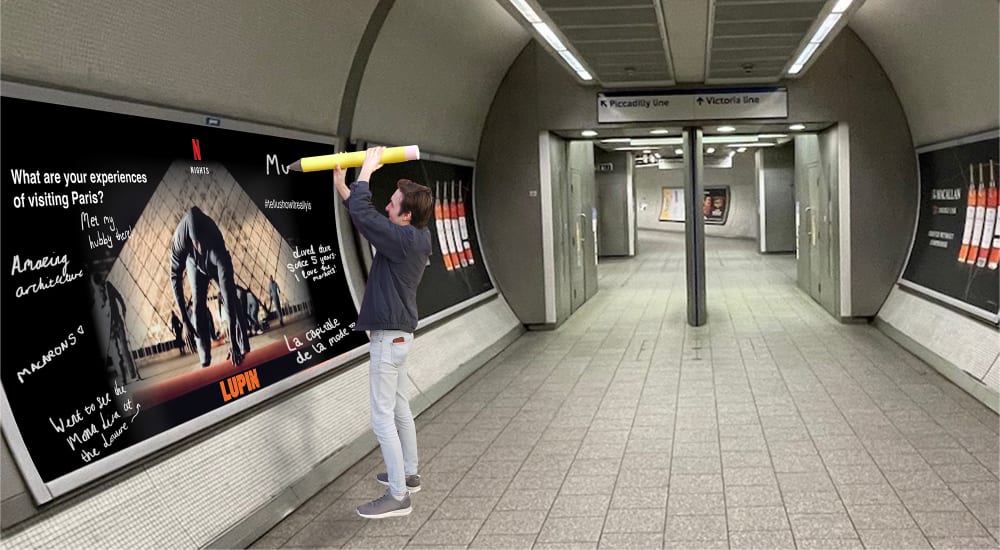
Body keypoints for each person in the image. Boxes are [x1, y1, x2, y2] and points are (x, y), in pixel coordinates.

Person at [334, 147, 433, 519]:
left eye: (393, 203)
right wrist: (344, 187)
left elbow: (367, 216)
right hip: (399, 337)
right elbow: (369, 218)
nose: (387, 206)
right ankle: (408, 474)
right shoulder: (415, 235)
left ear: (406, 216)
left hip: (388, 339)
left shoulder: (402, 240)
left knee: (381, 417)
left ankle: (397, 495)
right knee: (400, 408)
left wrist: (365, 173)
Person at [169, 206, 250, 367]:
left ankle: (243, 345)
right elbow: (175, 277)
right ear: (190, 239)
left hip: (213, 261)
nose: (199, 248)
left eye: (201, 242)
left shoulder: (215, 241)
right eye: (196, 243)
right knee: (198, 305)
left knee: (233, 299)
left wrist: (232, 341)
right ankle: (205, 359)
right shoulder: (179, 238)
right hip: (193, 264)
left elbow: (227, 295)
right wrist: (184, 320)